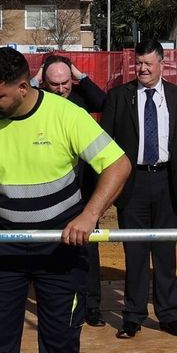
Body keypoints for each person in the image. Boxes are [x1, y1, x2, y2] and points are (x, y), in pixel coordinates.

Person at [0, 47, 131, 353]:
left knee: (59, 350)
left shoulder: (67, 115)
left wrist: (89, 215)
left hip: (61, 245)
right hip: (2, 246)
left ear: (23, 87)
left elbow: (118, 165)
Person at [100, 39, 177, 340]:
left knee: (166, 253)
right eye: (138, 63)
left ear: (161, 64)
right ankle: (133, 316)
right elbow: (106, 146)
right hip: (132, 184)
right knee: (135, 252)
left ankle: (168, 315)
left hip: (168, 182)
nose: (142, 69)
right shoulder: (119, 97)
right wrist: (110, 188)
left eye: (148, 63)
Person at [40, 54, 109, 327]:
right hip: (49, 191)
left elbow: (103, 102)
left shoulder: (81, 98)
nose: (61, 89)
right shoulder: (37, 102)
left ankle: (92, 307)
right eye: (54, 84)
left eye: (65, 82)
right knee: (52, 251)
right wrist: (36, 78)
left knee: (88, 250)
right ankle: (59, 306)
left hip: (84, 190)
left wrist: (80, 75)